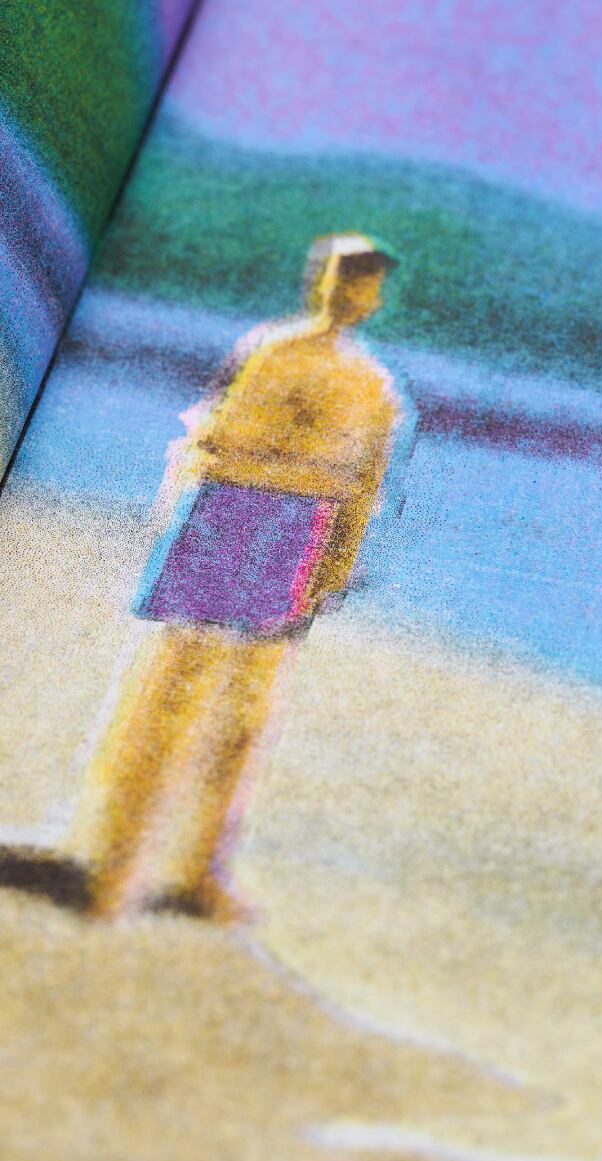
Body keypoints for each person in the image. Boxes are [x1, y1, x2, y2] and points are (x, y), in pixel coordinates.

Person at [74, 232, 404, 922]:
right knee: (171, 693)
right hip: (230, 518)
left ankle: (196, 870)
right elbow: (216, 437)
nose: (348, 292)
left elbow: (366, 483)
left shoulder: (374, 384)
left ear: (374, 296)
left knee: (244, 716)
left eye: (363, 281)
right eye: (340, 276)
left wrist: (336, 563)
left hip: (295, 536)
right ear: (318, 280)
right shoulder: (273, 349)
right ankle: (112, 864)